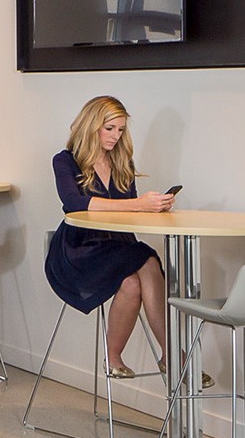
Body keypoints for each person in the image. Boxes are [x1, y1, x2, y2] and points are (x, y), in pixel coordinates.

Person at [44, 96, 173, 377]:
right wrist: (139, 204)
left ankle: (113, 360)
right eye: (110, 128)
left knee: (131, 283)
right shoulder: (65, 161)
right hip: (79, 249)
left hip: (117, 245)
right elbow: (74, 203)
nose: (116, 136)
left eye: (121, 130)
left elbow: (127, 213)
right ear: (92, 126)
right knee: (148, 259)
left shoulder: (122, 161)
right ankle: (173, 355)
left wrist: (154, 208)